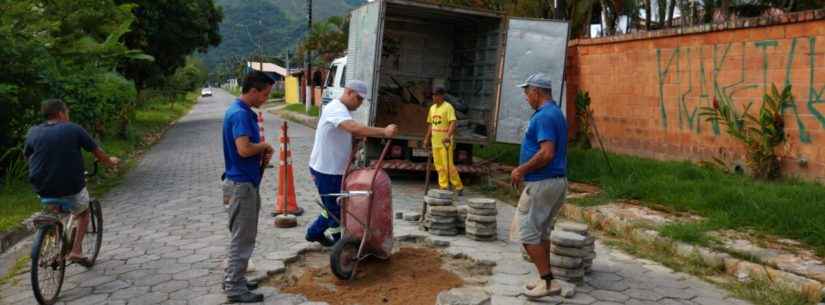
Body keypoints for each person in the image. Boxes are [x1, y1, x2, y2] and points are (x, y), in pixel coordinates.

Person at [24, 99, 120, 265]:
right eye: (67, 112)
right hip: (71, 185)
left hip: (41, 186)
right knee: (83, 213)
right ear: (61, 113)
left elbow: (28, 156)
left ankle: (52, 239)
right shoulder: (73, 128)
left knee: (55, 210)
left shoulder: (33, 131)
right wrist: (111, 162)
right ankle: (76, 251)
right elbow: (97, 152)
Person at [306, 80, 397, 246]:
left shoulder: (343, 110)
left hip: (335, 169)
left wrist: (353, 146)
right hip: (327, 170)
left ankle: (324, 235)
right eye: (358, 99)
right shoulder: (335, 108)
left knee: (334, 205)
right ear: (348, 92)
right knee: (335, 210)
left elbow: (348, 132)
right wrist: (383, 131)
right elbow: (353, 127)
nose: (360, 103)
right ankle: (330, 241)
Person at [509, 73, 568, 298]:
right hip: (555, 182)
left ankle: (548, 282)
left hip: (541, 183)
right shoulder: (555, 113)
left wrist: (520, 170)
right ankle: (546, 279)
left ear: (537, 91)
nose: (526, 97)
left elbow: (546, 153)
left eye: (527, 92)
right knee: (542, 232)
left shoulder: (544, 116)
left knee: (527, 233)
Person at [221, 71, 275, 303]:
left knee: (242, 236)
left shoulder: (240, 111)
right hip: (241, 185)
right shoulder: (240, 115)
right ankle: (234, 287)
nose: (266, 99)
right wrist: (263, 146)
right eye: (265, 94)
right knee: (242, 238)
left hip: (242, 182)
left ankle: (236, 279)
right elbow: (243, 149)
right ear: (253, 90)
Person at [423, 85, 463, 195]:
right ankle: (443, 186)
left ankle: (458, 186)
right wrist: (427, 138)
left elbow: (453, 123)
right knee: (439, 166)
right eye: (433, 95)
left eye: (435, 95)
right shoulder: (432, 108)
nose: (433, 98)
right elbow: (431, 124)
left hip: (445, 142)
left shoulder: (448, 107)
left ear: (441, 96)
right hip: (435, 142)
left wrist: (448, 136)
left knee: (448, 166)